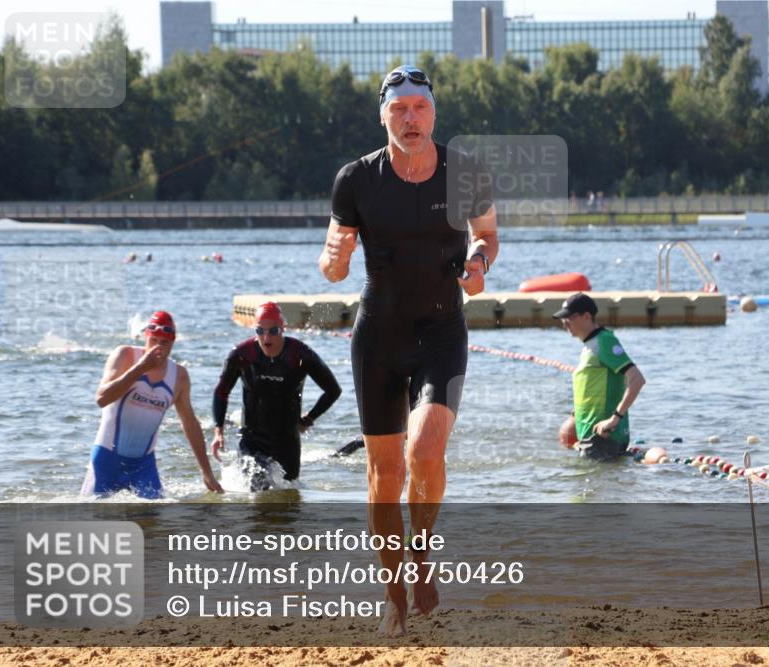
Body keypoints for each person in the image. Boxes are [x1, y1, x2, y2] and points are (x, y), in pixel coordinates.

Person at [319, 65, 498, 636]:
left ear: (434, 113)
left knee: (425, 452)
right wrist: (333, 262)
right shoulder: (356, 179)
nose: (411, 118)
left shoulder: (463, 172)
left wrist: (478, 263)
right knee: (384, 474)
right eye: (400, 109)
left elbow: (487, 234)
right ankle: (393, 593)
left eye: (420, 107)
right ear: (383, 116)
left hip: (443, 332)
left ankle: (421, 553)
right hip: (379, 338)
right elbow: (333, 252)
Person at [82, 311, 223, 498]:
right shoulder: (125, 355)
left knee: (156, 524)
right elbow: (101, 398)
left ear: (172, 343)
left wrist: (207, 472)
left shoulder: (179, 376)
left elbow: (190, 423)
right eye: (153, 340)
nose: (158, 347)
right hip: (107, 460)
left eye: (164, 342)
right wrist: (140, 368)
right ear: (145, 337)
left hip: (143, 467)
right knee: (95, 519)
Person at [211, 302, 342, 491]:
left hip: (287, 440)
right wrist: (218, 431)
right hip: (252, 439)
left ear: (283, 329)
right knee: (257, 487)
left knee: (288, 497)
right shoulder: (242, 355)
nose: (266, 337)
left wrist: (308, 420)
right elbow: (221, 392)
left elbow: (333, 390)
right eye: (260, 331)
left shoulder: (299, 355)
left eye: (273, 331)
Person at [553, 293, 646, 461]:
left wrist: (614, 419)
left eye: (569, 318)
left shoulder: (604, 341)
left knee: (598, 486)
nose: (565, 324)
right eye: (562, 319)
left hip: (603, 439)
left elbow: (637, 379)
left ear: (587, 316)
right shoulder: (589, 346)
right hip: (591, 438)